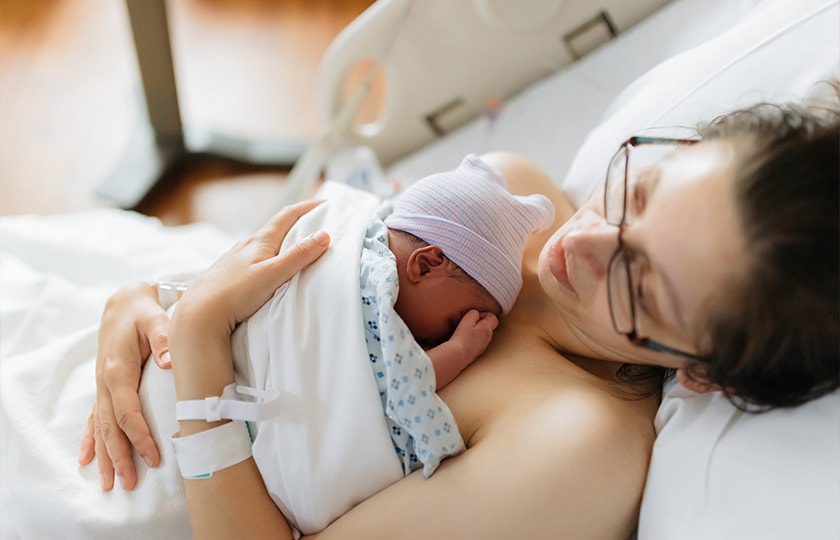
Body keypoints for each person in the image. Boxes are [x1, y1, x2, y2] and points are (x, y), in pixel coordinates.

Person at [80, 94, 839, 539]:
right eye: (640, 194)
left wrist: (202, 352)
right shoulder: (508, 195)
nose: (586, 244)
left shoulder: (574, 446)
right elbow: (288, 280)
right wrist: (149, 299)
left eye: (640, 287)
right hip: (118, 374)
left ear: (703, 371)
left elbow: (219, 332)